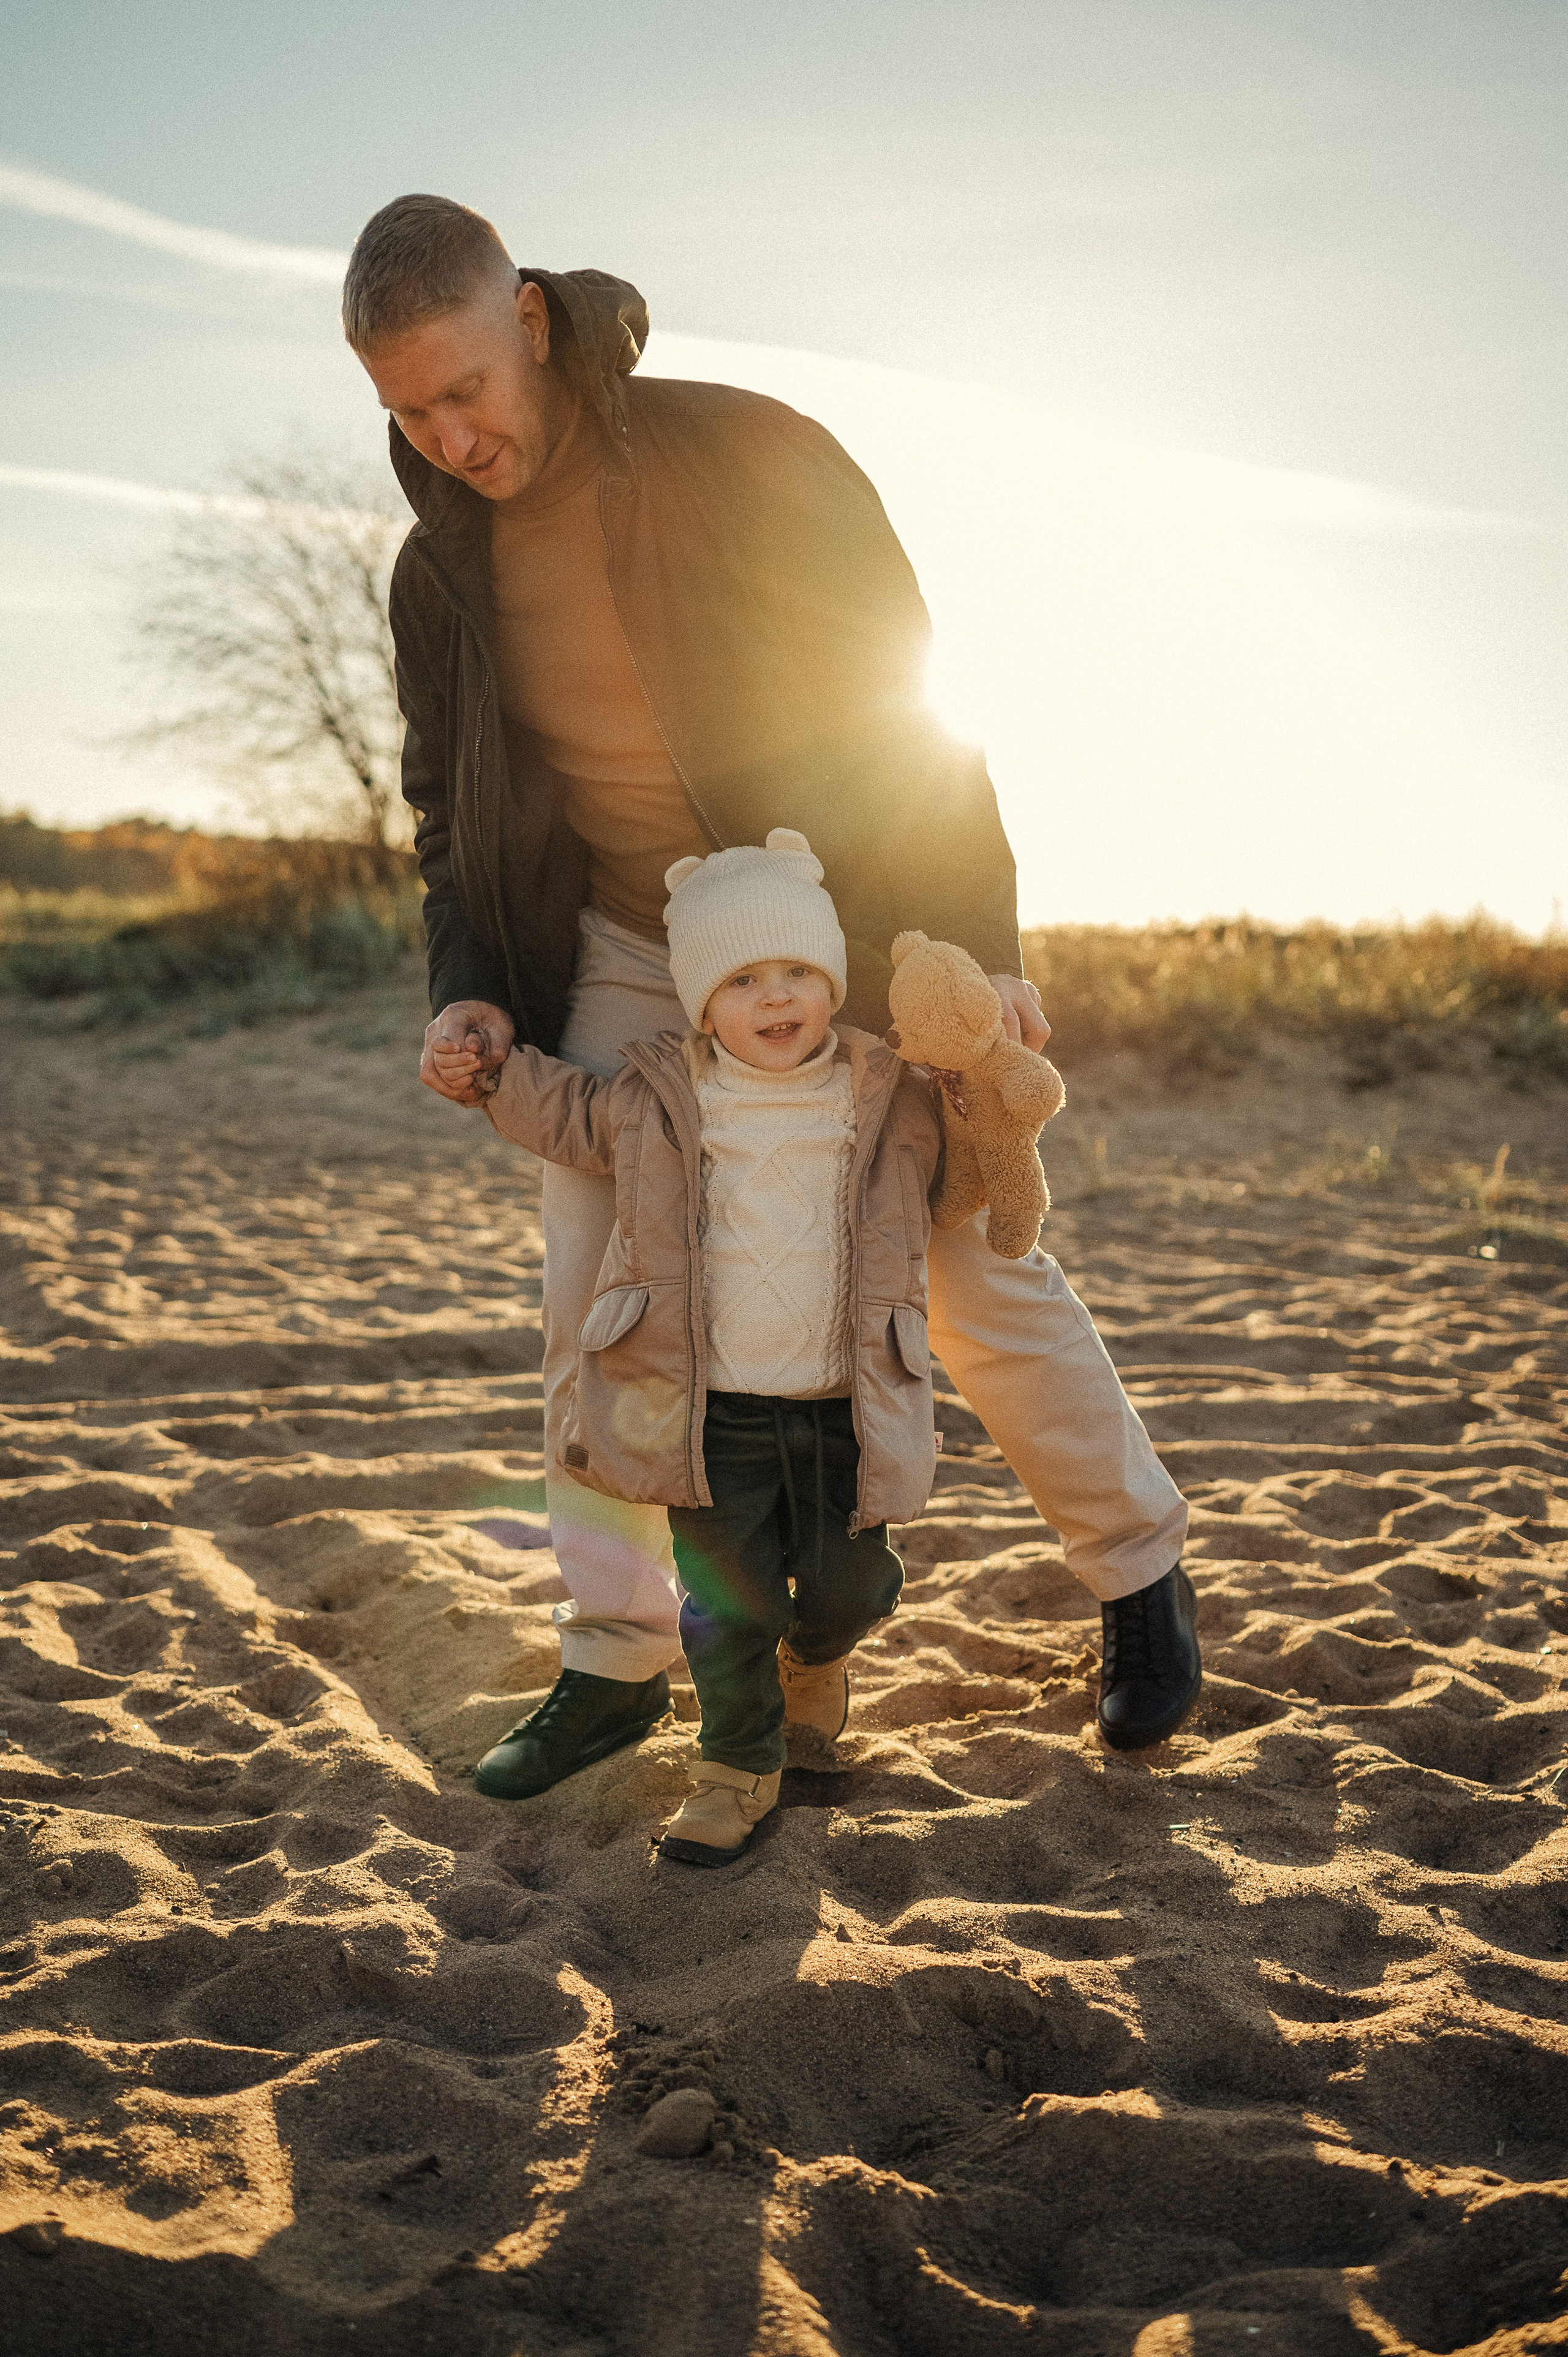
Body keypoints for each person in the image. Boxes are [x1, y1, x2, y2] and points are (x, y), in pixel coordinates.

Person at [342, 192, 1200, 1783]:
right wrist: (469, 987)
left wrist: (974, 944)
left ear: (528, 320)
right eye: (410, 412)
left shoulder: (749, 451)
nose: (451, 437)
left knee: (955, 1266)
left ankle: (1140, 1575)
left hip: (819, 918)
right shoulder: (430, 579)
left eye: (466, 389)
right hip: (613, 943)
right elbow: (448, 812)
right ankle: (609, 1665)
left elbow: (911, 696)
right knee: (597, 1298)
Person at [437, 831, 944, 1861]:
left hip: (847, 1403)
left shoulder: (882, 1096)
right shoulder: (658, 1097)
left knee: (851, 1585)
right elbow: (563, 1113)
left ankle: (820, 1654)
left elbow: (973, 1162)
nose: (777, 997)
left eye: (799, 971)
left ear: (833, 981)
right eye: (744, 978)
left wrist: (994, 1089)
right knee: (727, 1610)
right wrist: (488, 1070)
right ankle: (733, 1770)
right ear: (700, 1002)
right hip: (715, 1417)